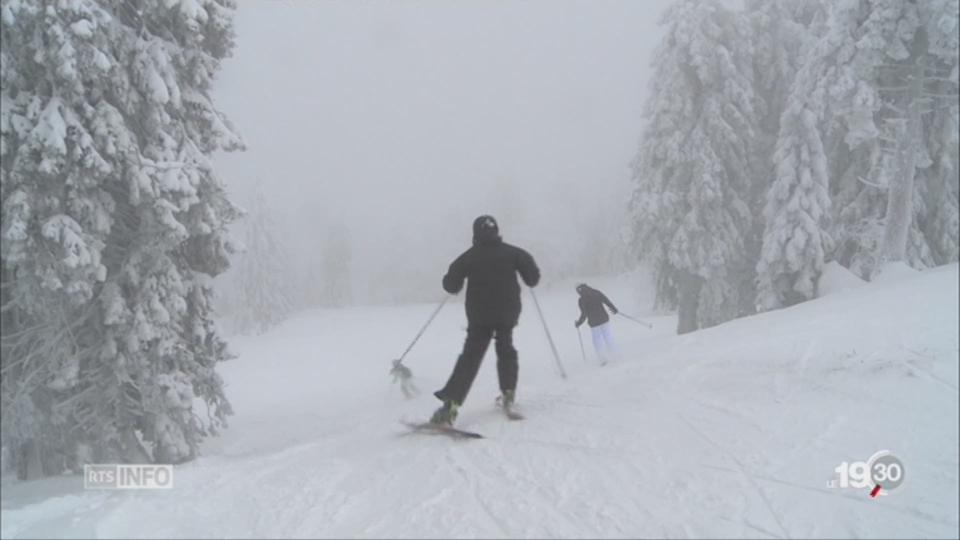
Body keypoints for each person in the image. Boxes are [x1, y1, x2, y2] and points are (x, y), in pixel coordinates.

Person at [430, 215, 540, 426]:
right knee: (505, 348)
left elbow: (451, 285)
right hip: (508, 313)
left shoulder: (469, 257)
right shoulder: (514, 253)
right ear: (496, 231)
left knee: (470, 357)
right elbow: (533, 278)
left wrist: (454, 282)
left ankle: (450, 407)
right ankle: (508, 395)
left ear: (475, 234)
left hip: (479, 317)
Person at [574, 283, 620, 365]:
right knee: (608, 337)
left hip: (594, 323)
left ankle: (602, 359)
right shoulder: (596, 292)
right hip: (604, 319)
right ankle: (615, 355)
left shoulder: (582, 299)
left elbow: (584, 314)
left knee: (597, 341)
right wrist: (614, 309)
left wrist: (579, 323)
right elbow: (607, 301)